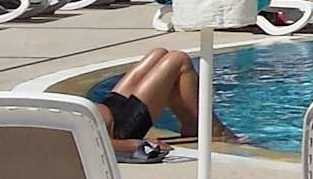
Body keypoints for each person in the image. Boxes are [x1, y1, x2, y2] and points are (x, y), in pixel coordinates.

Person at [90, 46, 233, 158]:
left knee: (159, 53)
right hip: (121, 129)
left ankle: (195, 124)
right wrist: (135, 144)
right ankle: (211, 128)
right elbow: (93, 144)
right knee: (179, 60)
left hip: (109, 109)